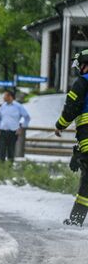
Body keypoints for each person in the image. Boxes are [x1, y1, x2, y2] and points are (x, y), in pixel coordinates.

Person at [55, 49, 88, 227]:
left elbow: (72, 108)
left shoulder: (83, 82)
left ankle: (76, 220)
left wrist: (60, 125)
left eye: (80, 65)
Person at [0, 90, 30, 162]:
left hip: (13, 132)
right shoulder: (3, 106)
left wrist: (21, 127)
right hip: (3, 131)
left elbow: (27, 117)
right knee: (2, 151)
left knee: (11, 151)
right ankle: (1, 168)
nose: (3, 97)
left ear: (10, 97)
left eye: (5, 96)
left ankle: (9, 169)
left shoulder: (18, 106)